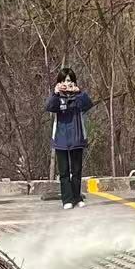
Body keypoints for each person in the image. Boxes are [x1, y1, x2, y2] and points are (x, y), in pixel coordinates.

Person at [46, 68, 95, 209]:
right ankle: (67, 199)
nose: (66, 84)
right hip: (61, 139)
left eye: (68, 81)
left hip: (76, 138)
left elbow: (88, 104)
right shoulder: (57, 98)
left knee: (77, 171)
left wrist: (78, 92)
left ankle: (77, 197)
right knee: (64, 172)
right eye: (63, 81)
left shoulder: (78, 97)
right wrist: (55, 93)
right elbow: (49, 106)